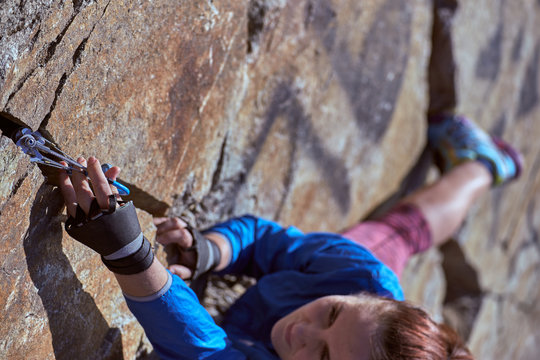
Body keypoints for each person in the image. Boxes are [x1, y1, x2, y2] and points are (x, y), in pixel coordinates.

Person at [58, 114, 522, 360]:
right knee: (399, 233)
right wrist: (207, 252)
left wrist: (132, 255)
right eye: (333, 313)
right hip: (369, 270)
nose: (304, 330)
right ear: (366, 297)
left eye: (321, 358)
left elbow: (206, 351)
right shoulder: (360, 275)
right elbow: (264, 241)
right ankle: (484, 166)